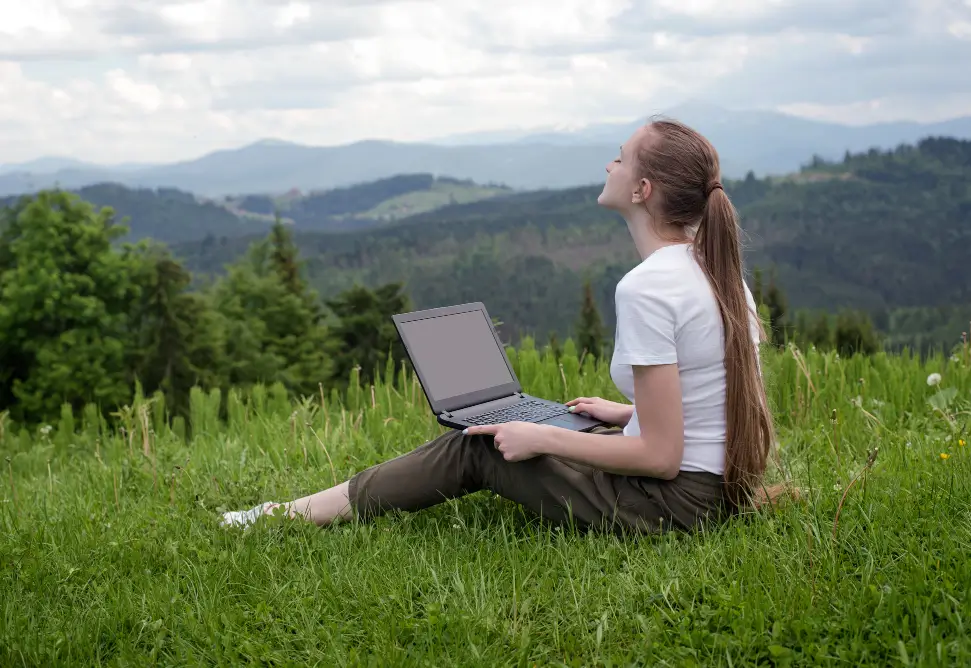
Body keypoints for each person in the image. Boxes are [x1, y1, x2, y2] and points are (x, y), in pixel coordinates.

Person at [221, 117, 782, 535]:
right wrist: (626, 414)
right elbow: (713, 398)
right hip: (714, 493)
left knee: (477, 446)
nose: (609, 165)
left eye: (620, 158)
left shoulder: (648, 287)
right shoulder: (713, 271)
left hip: (673, 505)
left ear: (643, 191)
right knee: (527, 431)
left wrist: (543, 436)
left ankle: (286, 517)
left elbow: (661, 459)